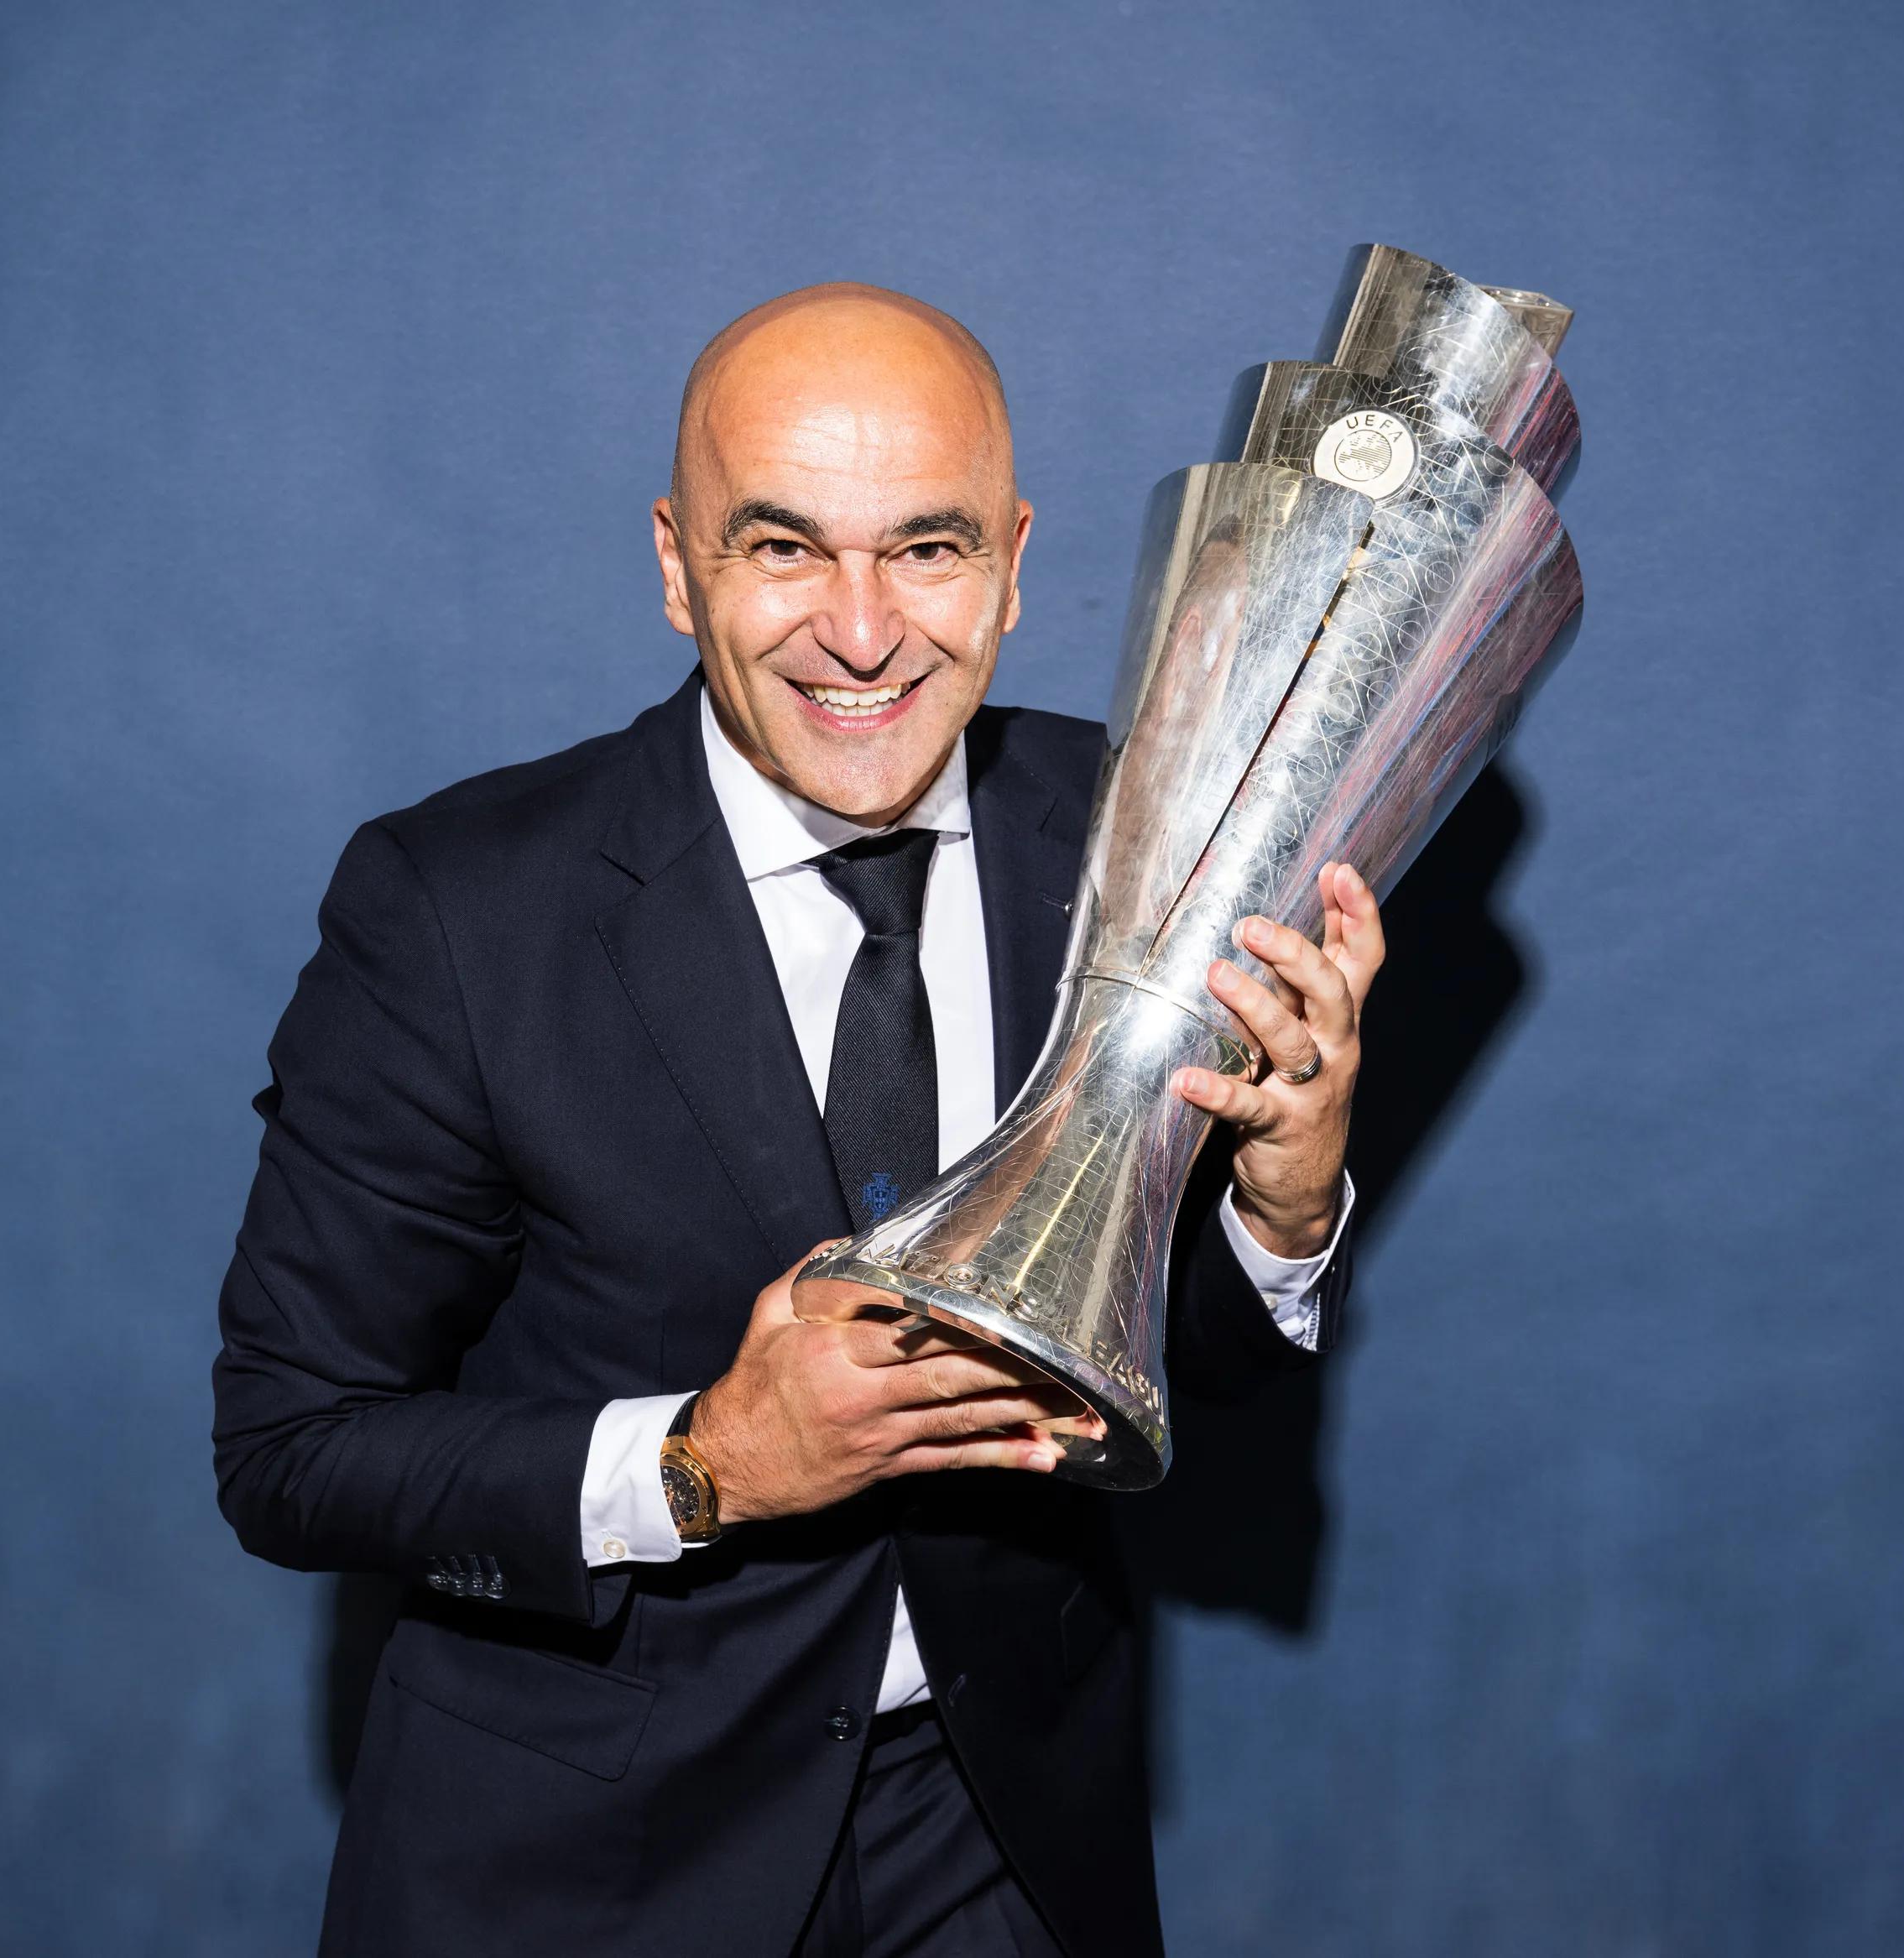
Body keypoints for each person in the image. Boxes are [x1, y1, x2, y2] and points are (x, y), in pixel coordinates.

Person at [212, 282, 1385, 1957]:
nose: (860, 631)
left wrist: (1284, 1199)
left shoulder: (1153, 834)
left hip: (1003, 1848)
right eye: (782, 550)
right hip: (580, 1871)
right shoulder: (459, 910)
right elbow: (293, 1452)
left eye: (927, 549)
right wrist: (702, 1465)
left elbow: (1153, 1365)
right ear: (678, 565)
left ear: (1015, 561)